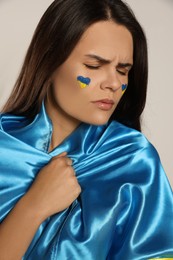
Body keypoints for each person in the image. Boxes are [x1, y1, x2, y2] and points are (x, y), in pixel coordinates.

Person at [0, 0, 173, 259]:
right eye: (94, 66)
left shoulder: (135, 161)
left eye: (123, 70)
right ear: (50, 61)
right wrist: (33, 207)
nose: (114, 83)